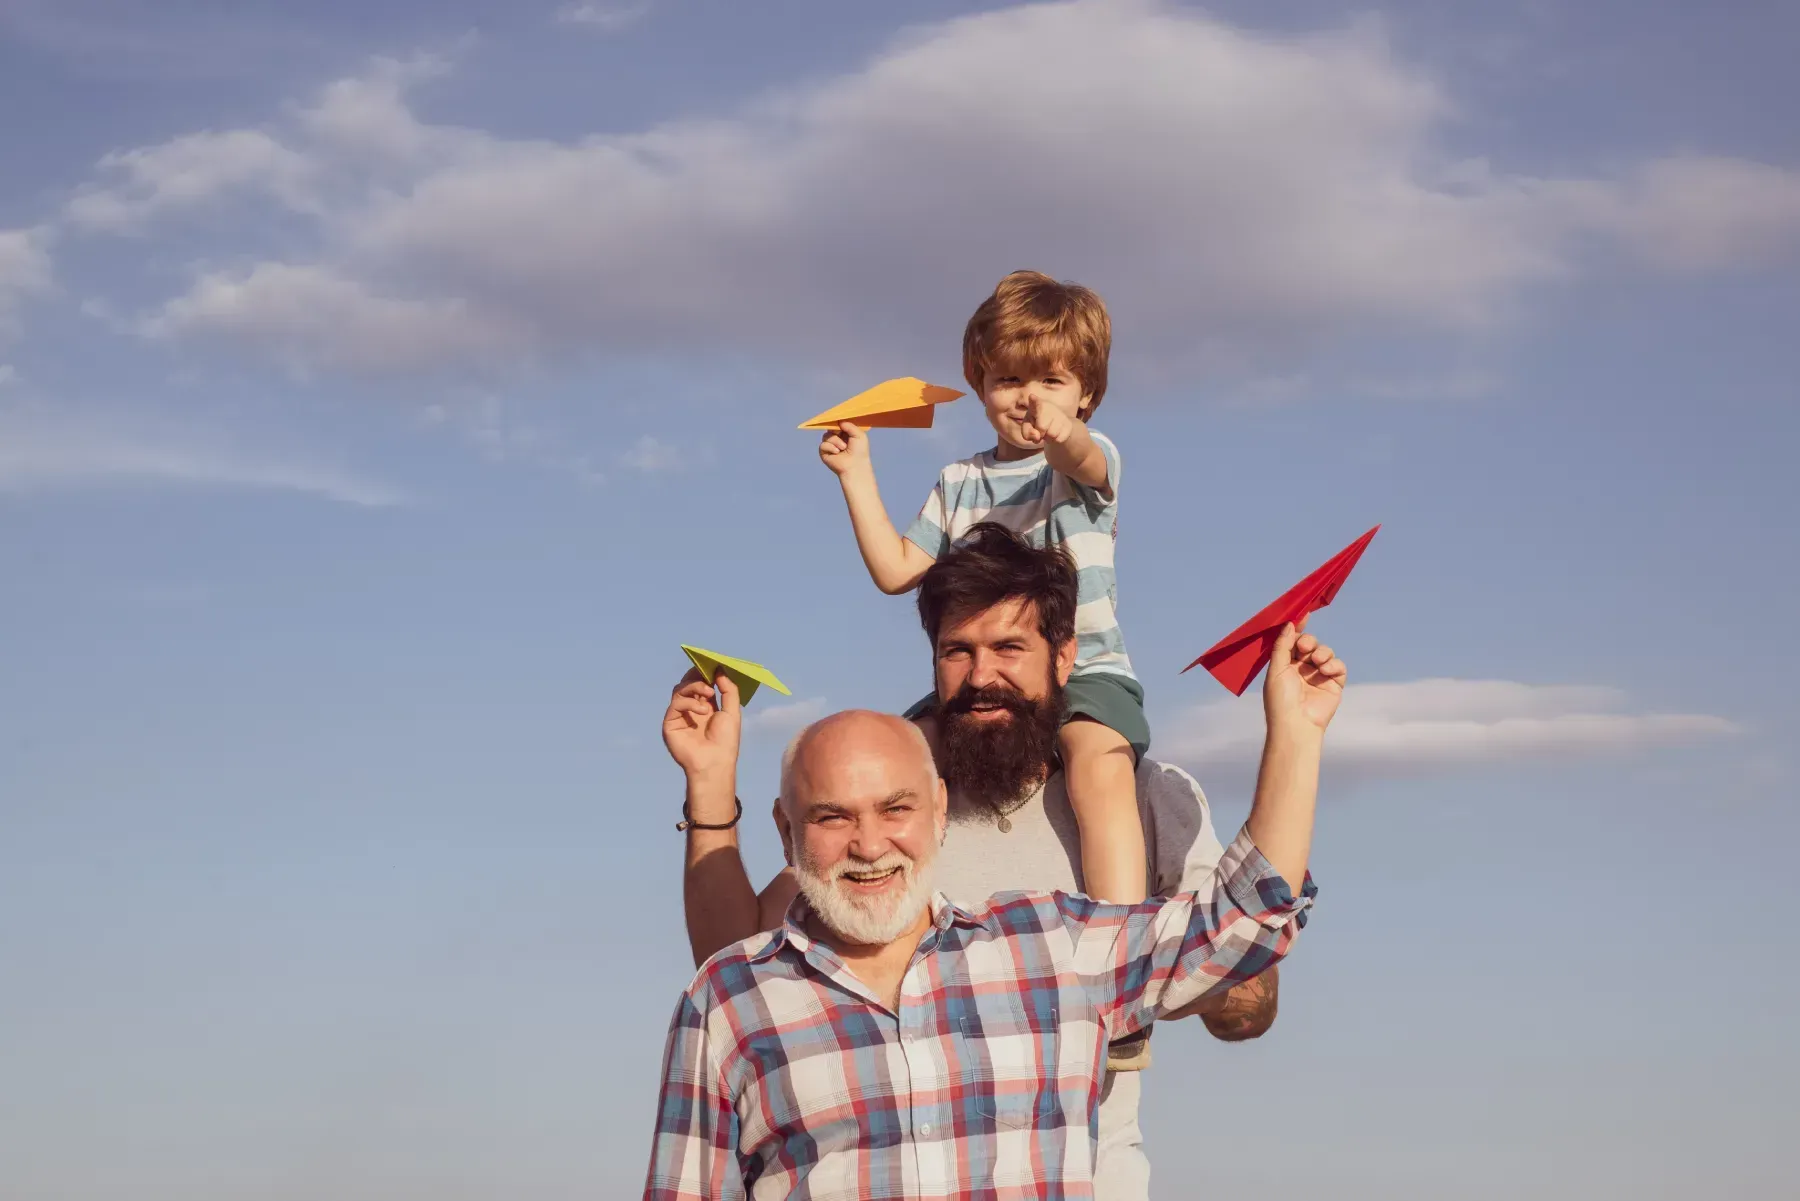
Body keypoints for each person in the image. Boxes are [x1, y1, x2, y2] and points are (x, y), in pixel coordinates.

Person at [658, 525, 1346, 1200]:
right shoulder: (882, 821)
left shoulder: (1124, 831)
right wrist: (712, 786)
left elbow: (1243, 968)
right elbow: (747, 979)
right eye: (958, 651)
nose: (982, 675)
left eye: (1008, 647)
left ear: (1065, 656)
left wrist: (1108, 990)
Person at [817, 270, 1149, 913]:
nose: (1029, 399)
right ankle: (884, 917)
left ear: (1087, 395)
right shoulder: (960, 480)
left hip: (1087, 669)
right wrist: (855, 473)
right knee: (898, 755)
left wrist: (1065, 434)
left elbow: (1084, 457)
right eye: (1010, 381)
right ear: (982, 387)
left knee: (1098, 766)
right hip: (984, 675)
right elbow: (895, 570)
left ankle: (1122, 935)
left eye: (1052, 382)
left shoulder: (1085, 460)